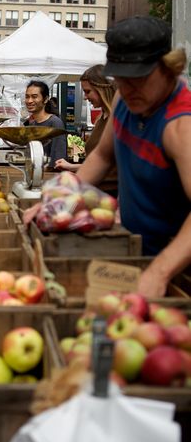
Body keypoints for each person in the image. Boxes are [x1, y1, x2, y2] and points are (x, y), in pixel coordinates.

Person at [75, 16, 191, 297]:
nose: (128, 90)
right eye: (121, 80)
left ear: (169, 68)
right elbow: (102, 156)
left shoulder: (181, 127)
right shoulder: (123, 100)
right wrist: (60, 201)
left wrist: (160, 271)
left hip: (176, 271)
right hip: (135, 253)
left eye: (138, 79)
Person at [54, 65, 118, 195]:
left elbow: (112, 166)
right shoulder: (101, 119)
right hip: (94, 191)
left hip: (110, 194)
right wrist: (71, 167)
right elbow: (100, 162)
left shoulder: (118, 120)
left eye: (88, 91)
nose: (85, 97)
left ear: (102, 89)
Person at [23, 80, 67, 169]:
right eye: (27, 97)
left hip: (49, 177)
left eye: (34, 97)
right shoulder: (33, 124)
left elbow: (58, 159)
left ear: (46, 99)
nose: (29, 101)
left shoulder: (55, 123)